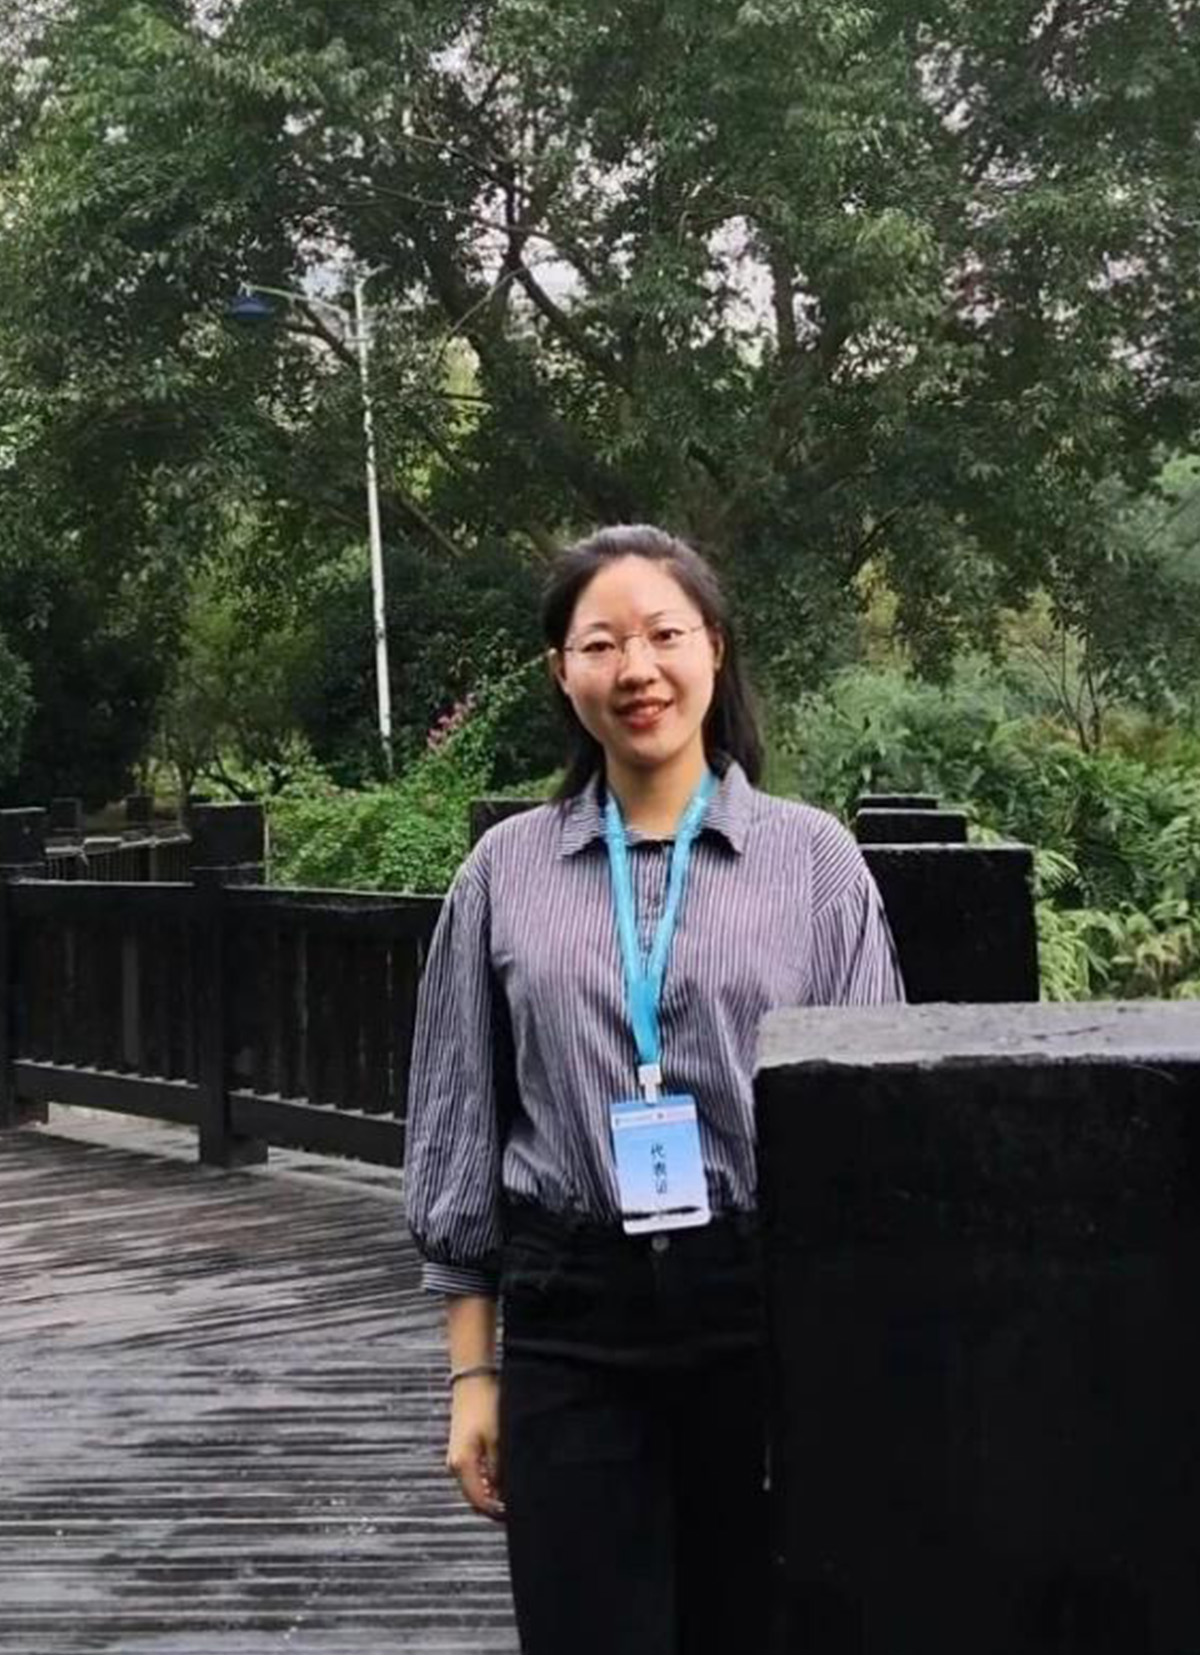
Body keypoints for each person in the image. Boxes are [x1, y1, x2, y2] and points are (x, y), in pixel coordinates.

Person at [405, 524, 905, 1655]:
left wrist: (861, 1357)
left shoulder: (814, 863)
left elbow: (866, 1137)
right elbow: (457, 1124)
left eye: (664, 635)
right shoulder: (504, 872)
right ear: (561, 670)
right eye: (602, 643)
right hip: (572, 1311)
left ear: (713, 648)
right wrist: (473, 1372)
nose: (637, 669)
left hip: (763, 1312)